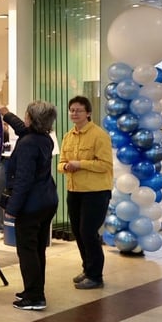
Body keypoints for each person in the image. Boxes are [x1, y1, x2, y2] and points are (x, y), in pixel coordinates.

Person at [1, 102, 59, 310]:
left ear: (32, 118)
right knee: (37, 249)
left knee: (27, 250)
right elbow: (24, 130)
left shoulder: (27, 144)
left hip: (31, 206)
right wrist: (7, 115)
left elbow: (23, 180)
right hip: (47, 201)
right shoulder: (44, 138)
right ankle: (34, 289)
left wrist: (12, 209)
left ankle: (34, 297)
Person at [58, 95, 113, 290]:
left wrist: (80, 164)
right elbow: (60, 163)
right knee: (78, 233)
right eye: (72, 110)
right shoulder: (68, 136)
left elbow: (105, 165)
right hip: (74, 191)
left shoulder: (99, 135)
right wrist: (66, 167)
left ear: (88, 113)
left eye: (79, 110)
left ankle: (95, 276)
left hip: (96, 192)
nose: (74, 113)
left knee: (88, 233)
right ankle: (87, 269)